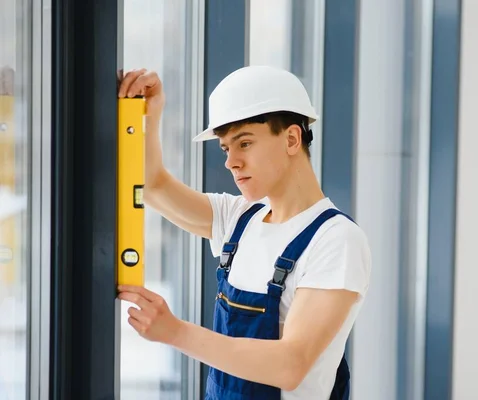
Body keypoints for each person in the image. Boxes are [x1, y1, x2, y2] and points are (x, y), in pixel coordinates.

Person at [117, 65, 372, 400]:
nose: (231, 162)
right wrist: (150, 113)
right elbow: (150, 187)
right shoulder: (240, 218)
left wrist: (175, 332)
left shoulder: (336, 240)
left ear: (292, 139)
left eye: (245, 143)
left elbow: (290, 365)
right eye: (225, 149)